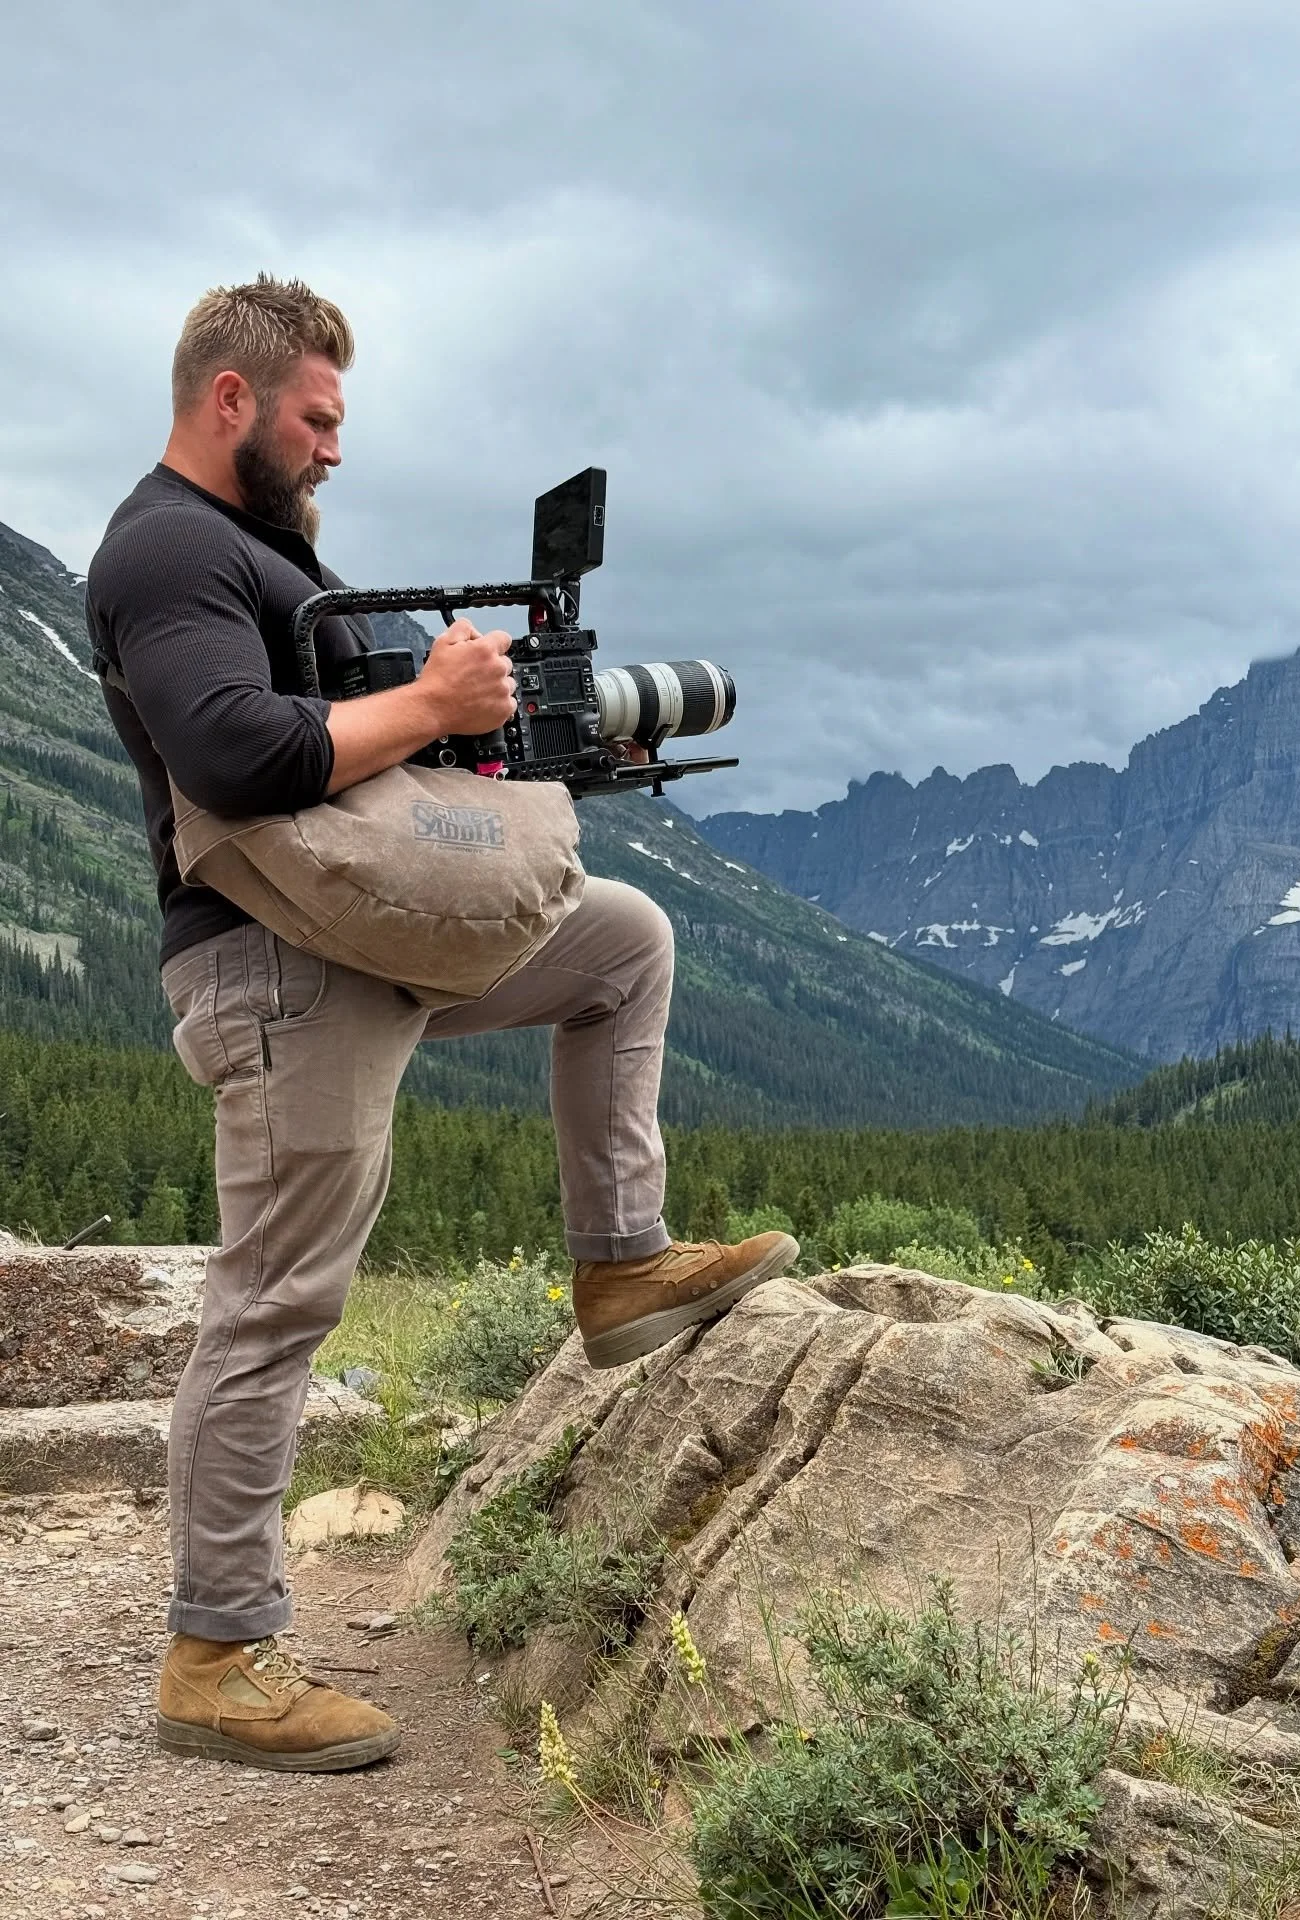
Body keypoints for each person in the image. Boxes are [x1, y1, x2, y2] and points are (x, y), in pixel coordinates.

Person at [85, 274, 797, 1773]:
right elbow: (233, 750)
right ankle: (216, 1654)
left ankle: (621, 1264)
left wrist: (526, 740)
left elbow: (375, 771)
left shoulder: (271, 557)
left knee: (621, 942)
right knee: (277, 1298)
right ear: (231, 398)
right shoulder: (165, 549)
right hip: (274, 966)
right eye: (316, 418)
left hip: (372, 930)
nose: (336, 447)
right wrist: (431, 701)